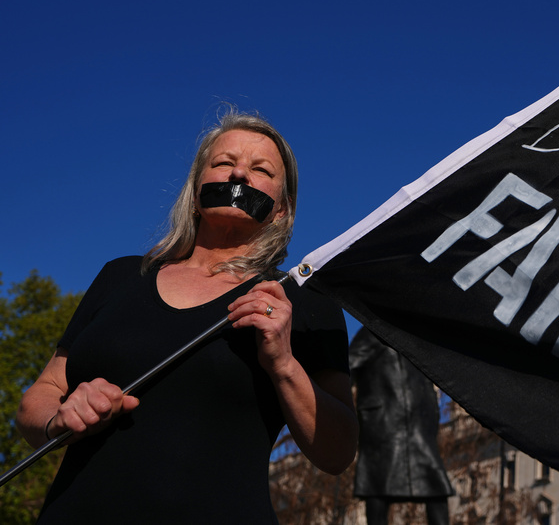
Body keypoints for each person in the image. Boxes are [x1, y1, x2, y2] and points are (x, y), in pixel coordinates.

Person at [16, 111, 358, 524]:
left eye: (261, 170)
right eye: (223, 162)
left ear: (282, 209)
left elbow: (338, 452)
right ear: (197, 190)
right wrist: (60, 416)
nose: (239, 174)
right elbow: (40, 396)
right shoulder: (121, 276)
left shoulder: (302, 301)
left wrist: (283, 365)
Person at [349, 326, 453, 525]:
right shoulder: (372, 332)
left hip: (418, 424)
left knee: (436, 485)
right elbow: (347, 368)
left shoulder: (416, 336)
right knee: (377, 487)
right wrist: (343, 410)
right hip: (383, 424)